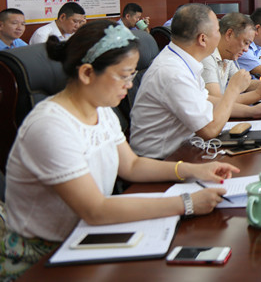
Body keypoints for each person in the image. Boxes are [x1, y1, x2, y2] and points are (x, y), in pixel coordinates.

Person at [1, 21, 236, 277]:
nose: (129, 85)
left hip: (86, 235)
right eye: (124, 76)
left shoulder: (101, 110)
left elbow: (131, 165)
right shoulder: (51, 127)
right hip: (40, 256)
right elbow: (95, 210)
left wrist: (195, 170)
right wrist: (187, 203)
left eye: (132, 75)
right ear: (87, 73)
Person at [130, 4, 251, 159]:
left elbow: (206, 101)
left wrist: (252, 111)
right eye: (217, 31)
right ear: (203, 39)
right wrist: (233, 89)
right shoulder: (174, 72)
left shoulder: (182, 60)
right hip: (163, 161)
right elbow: (209, 130)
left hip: (185, 150)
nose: (220, 36)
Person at [200, 12, 261, 113]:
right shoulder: (207, 57)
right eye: (246, 43)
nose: (246, 49)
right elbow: (216, 102)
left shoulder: (228, 57)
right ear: (229, 34)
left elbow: (244, 84)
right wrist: (257, 95)